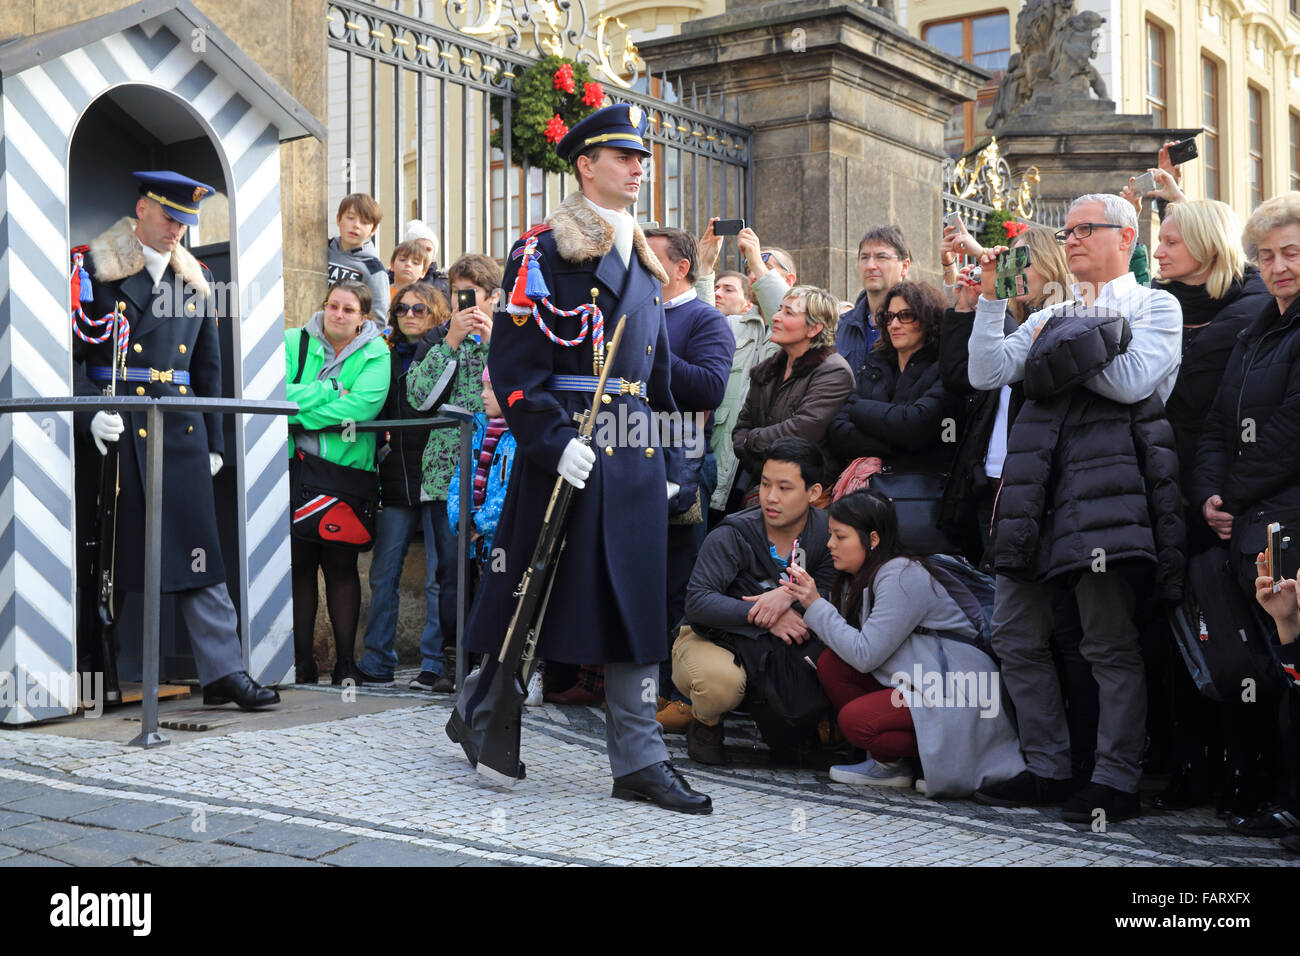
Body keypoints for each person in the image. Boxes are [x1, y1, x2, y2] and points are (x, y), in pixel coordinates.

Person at [447, 103, 711, 813]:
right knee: (525, 599)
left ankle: (639, 760)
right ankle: (482, 712)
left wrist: (675, 465)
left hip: (631, 456)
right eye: (623, 157)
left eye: (641, 158)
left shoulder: (647, 263)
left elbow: (657, 385)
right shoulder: (544, 251)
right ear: (585, 166)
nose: (637, 168)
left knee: (637, 608)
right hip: (567, 446)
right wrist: (553, 441)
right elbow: (515, 366)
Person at [966, 192, 1185, 823]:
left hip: (1105, 499)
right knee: (1013, 631)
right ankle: (1048, 767)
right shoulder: (1049, 314)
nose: (1072, 241)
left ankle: (1116, 778)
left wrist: (1055, 353)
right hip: (1037, 491)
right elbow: (987, 371)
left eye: (1085, 229)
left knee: (1107, 640)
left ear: (1126, 237)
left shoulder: (1156, 306)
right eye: (1066, 232)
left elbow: (1131, 382)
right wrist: (989, 297)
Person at [74, 170, 279, 710]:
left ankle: (222, 673)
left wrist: (214, 442)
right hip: (115, 430)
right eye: (169, 218)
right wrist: (87, 412)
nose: (177, 232)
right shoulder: (93, 266)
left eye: (186, 223)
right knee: (107, 560)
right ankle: (94, 675)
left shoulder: (196, 279)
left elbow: (208, 369)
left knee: (198, 555)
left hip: (181, 433)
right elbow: (62, 353)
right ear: (141, 209)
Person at [1147, 199, 1271, 812]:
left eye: (1171, 240)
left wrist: (1220, 494)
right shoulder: (1154, 303)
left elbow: (1228, 416)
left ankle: (1245, 772)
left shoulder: (1251, 308)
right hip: (1164, 490)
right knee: (1173, 632)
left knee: (1231, 635)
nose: (1159, 249)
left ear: (1207, 245)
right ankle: (1186, 764)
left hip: (1224, 498)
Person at [783, 491, 1026, 796]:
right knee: (833, 664)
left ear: (872, 539)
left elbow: (865, 654)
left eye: (840, 536)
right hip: (923, 681)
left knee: (856, 722)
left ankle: (940, 760)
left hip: (962, 688)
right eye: (830, 534)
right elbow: (849, 648)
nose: (830, 544)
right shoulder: (859, 576)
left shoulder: (901, 574)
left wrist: (815, 604)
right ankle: (890, 766)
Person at [1191, 191, 1300, 823]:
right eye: (1266, 255)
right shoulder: (1255, 333)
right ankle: (1267, 794)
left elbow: (1290, 433)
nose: (1278, 266)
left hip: (1287, 523)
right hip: (1243, 528)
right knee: (1257, 667)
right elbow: (1214, 426)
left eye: (1291, 252)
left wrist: (1231, 494)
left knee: (1293, 665)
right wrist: (1210, 495)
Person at [675, 438, 837, 763]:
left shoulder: (829, 534)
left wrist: (787, 595)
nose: (770, 497)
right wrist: (766, 613)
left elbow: (838, 595)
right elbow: (698, 604)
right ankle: (706, 723)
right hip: (716, 638)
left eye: (784, 487)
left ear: (814, 492)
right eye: (765, 484)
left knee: (841, 660)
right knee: (720, 683)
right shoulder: (733, 533)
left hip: (788, 645)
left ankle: (800, 725)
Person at [286, 281, 391, 685]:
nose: (338, 314)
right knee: (300, 569)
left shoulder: (376, 351)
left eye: (349, 309)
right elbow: (274, 394)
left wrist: (298, 416)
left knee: (341, 567)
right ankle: (301, 664)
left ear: (363, 316)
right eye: (333, 306)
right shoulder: (292, 341)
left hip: (346, 475)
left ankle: (346, 664)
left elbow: (363, 405)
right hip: (295, 471)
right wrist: (327, 389)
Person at [403, 253, 500, 691]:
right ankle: (447, 662)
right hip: (445, 473)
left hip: (496, 469)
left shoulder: (510, 339)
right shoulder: (437, 339)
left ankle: (488, 660)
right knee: (448, 572)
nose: (463, 304)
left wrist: (493, 340)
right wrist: (451, 345)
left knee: (493, 566)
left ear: (494, 298)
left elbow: (520, 390)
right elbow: (419, 399)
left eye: (472, 295)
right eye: (456, 294)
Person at [356, 282, 451, 689]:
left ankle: (434, 664)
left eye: (419, 308)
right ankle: (378, 660)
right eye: (401, 309)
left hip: (439, 477)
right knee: (383, 572)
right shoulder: (383, 357)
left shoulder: (449, 349)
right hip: (395, 477)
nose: (409, 315)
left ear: (436, 312)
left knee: (438, 575)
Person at [826, 279, 954, 516]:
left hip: (921, 498)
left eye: (906, 315)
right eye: (889, 316)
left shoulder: (943, 367)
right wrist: (900, 442)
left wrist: (857, 408)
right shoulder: (876, 361)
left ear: (928, 320)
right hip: (868, 495)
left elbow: (917, 425)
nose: (894, 324)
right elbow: (838, 430)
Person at [732, 286, 855, 490]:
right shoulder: (767, 369)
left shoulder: (834, 372)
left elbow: (801, 432)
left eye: (788, 312)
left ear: (813, 328)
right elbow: (740, 428)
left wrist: (751, 440)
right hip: (763, 484)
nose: (776, 317)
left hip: (809, 493)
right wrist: (760, 467)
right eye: (779, 309)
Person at [446, 368, 521, 689]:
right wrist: (460, 520)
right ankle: (482, 664)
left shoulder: (521, 436)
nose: (483, 395)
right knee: (480, 599)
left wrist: (479, 523)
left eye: (490, 389)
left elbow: (514, 492)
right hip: (477, 541)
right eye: (483, 388)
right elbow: (458, 479)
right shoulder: (477, 429)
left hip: (501, 539)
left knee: (504, 603)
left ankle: (506, 669)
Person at [837, 225, 912, 374]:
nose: (870, 265)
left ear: (904, 266)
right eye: (864, 257)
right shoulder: (840, 327)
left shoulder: (918, 325)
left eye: (881, 257)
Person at [328, 192, 390, 324]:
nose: (356, 225)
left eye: (364, 222)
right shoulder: (321, 250)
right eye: (350, 218)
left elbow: (380, 316)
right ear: (338, 219)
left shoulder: (374, 269)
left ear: (373, 230)